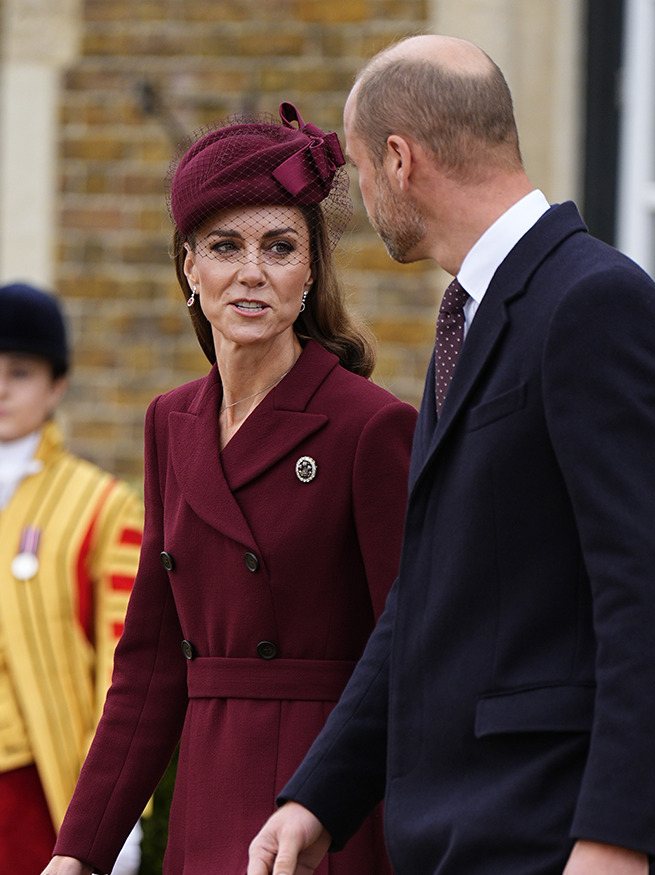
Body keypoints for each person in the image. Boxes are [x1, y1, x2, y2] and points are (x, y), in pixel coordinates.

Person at [246, 34, 655, 875]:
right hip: (459, 838)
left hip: (555, 837)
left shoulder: (596, 303)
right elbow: (427, 590)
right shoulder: (471, 316)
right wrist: (319, 796)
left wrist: (616, 836)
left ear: (399, 159)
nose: (365, 197)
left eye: (361, 169)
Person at [42, 102, 417, 875]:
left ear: (310, 270)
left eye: (280, 247)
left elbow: (413, 648)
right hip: (206, 800)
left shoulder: (370, 426)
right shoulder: (170, 421)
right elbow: (148, 667)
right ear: (190, 267)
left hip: (324, 811)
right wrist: (77, 853)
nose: (252, 272)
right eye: (224, 246)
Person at [0, 282, 144, 875]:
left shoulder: (104, 506)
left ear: (56, 386)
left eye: (20, 372)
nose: (1, 387)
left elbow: (122, 666)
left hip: (33, 788)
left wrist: (119, 810)